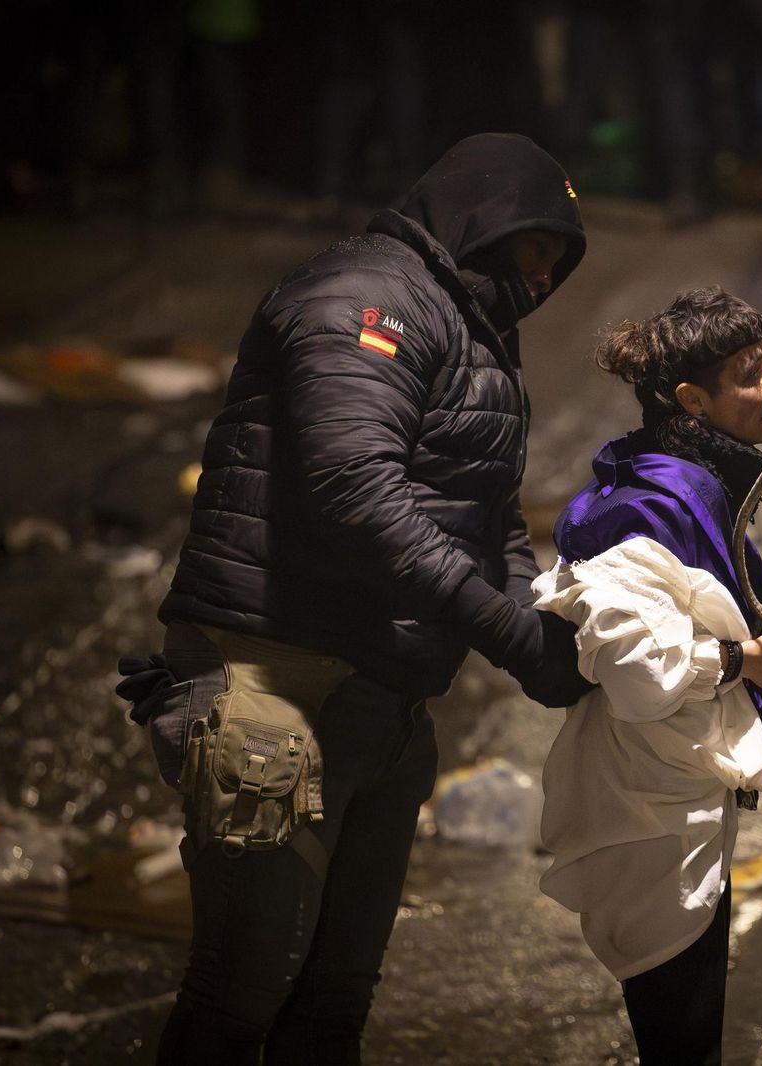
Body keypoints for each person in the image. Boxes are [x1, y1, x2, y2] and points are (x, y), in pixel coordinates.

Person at [115, 132, 593, 1065]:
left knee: (334, 1004)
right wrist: (506, 633)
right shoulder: (363, 301)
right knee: (240, 990)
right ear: (482, 218)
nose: (541, 280)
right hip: (274, 679)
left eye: (556, 265)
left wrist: (536, 617)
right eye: (533, 250)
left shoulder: (475, 324)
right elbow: (353, 490)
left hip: (382, 693)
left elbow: (487, 503)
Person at [533, 287, 762, 1065]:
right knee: (680, 1036)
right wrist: (742, 659)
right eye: (752, 373)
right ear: (693, 399)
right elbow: (638, 673)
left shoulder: (688, 478)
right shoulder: (647, 507)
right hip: (646, 806)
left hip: (678, 788)